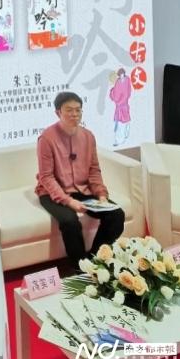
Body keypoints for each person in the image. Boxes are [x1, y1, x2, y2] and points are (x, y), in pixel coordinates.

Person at [35, 92, 126, 269]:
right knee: (69, 221)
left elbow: (94, 170)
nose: (74, 114)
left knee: (116, 214)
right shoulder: (46, 138)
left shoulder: (88, 136)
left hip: (82, 190)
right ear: (58, 112)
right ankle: (80, 268)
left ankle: (95, 260)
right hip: (52, 193)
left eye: (78, 110)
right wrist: (69, 202)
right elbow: (46, 177)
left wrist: (101, 195)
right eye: (69, 110)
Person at [108, 67, 131, 146]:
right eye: (120, 74)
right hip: (121, 105)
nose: (121, 76)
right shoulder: (118, 82)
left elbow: (128, 92)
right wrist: (112, 91)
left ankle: (121, 139)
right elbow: (116, 95)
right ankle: (120, 139)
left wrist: (112, 92)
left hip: (123, 105)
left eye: (122, 74)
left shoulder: (127, 80)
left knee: (122, 123)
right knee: (122, 123)